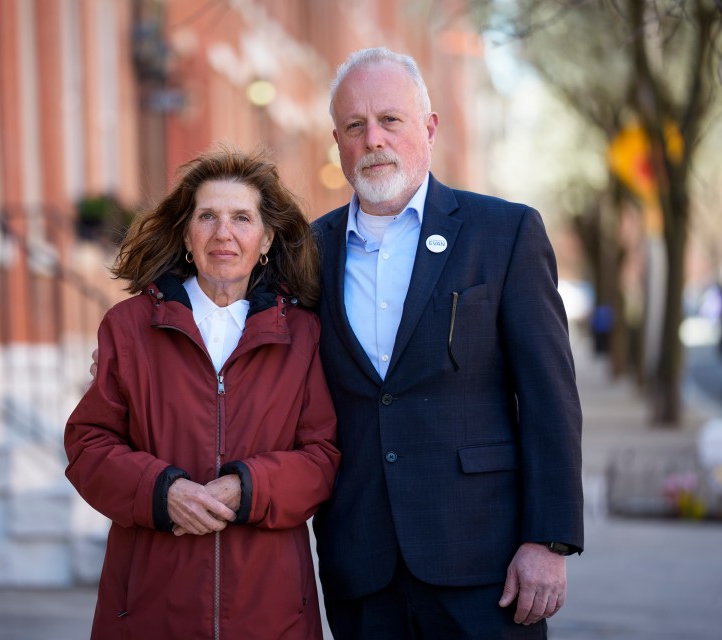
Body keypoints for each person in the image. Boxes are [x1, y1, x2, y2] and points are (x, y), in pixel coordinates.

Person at [310, 47, 583, 638]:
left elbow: (549, 398)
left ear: (428, 128)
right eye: (355, 126)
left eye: (391, 119)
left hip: (486, 562)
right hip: (361, 562)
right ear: (338, 140)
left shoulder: (504, 233)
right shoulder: (308, 252)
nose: (373, 139)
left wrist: (550, 538)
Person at [64, 148, 341, 639]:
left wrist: (249, 488)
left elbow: (322, 457)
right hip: (152, 606)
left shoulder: (303, 334)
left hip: (271, 609)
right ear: (186, 235)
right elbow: (89, 446)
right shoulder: (129, 328)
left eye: (241, 218)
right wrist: (162, 492)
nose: (223, 233)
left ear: (267, 238)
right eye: (207, 216)